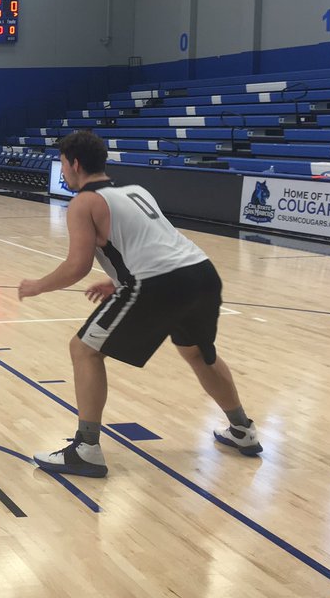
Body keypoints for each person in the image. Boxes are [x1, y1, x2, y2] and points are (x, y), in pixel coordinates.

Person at [17, 129, 261, 478]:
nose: (63, 169)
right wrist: (117, 280)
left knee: (84, 349)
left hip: (158, 283)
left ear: (74, 163)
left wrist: (38, 286)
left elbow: (77, 266)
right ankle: (242, 429)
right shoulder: (135, 191)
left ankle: (85, 448)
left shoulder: (83, 203)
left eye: (62, 162)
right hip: (201, 273)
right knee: (198, 352)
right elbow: (153, 245)